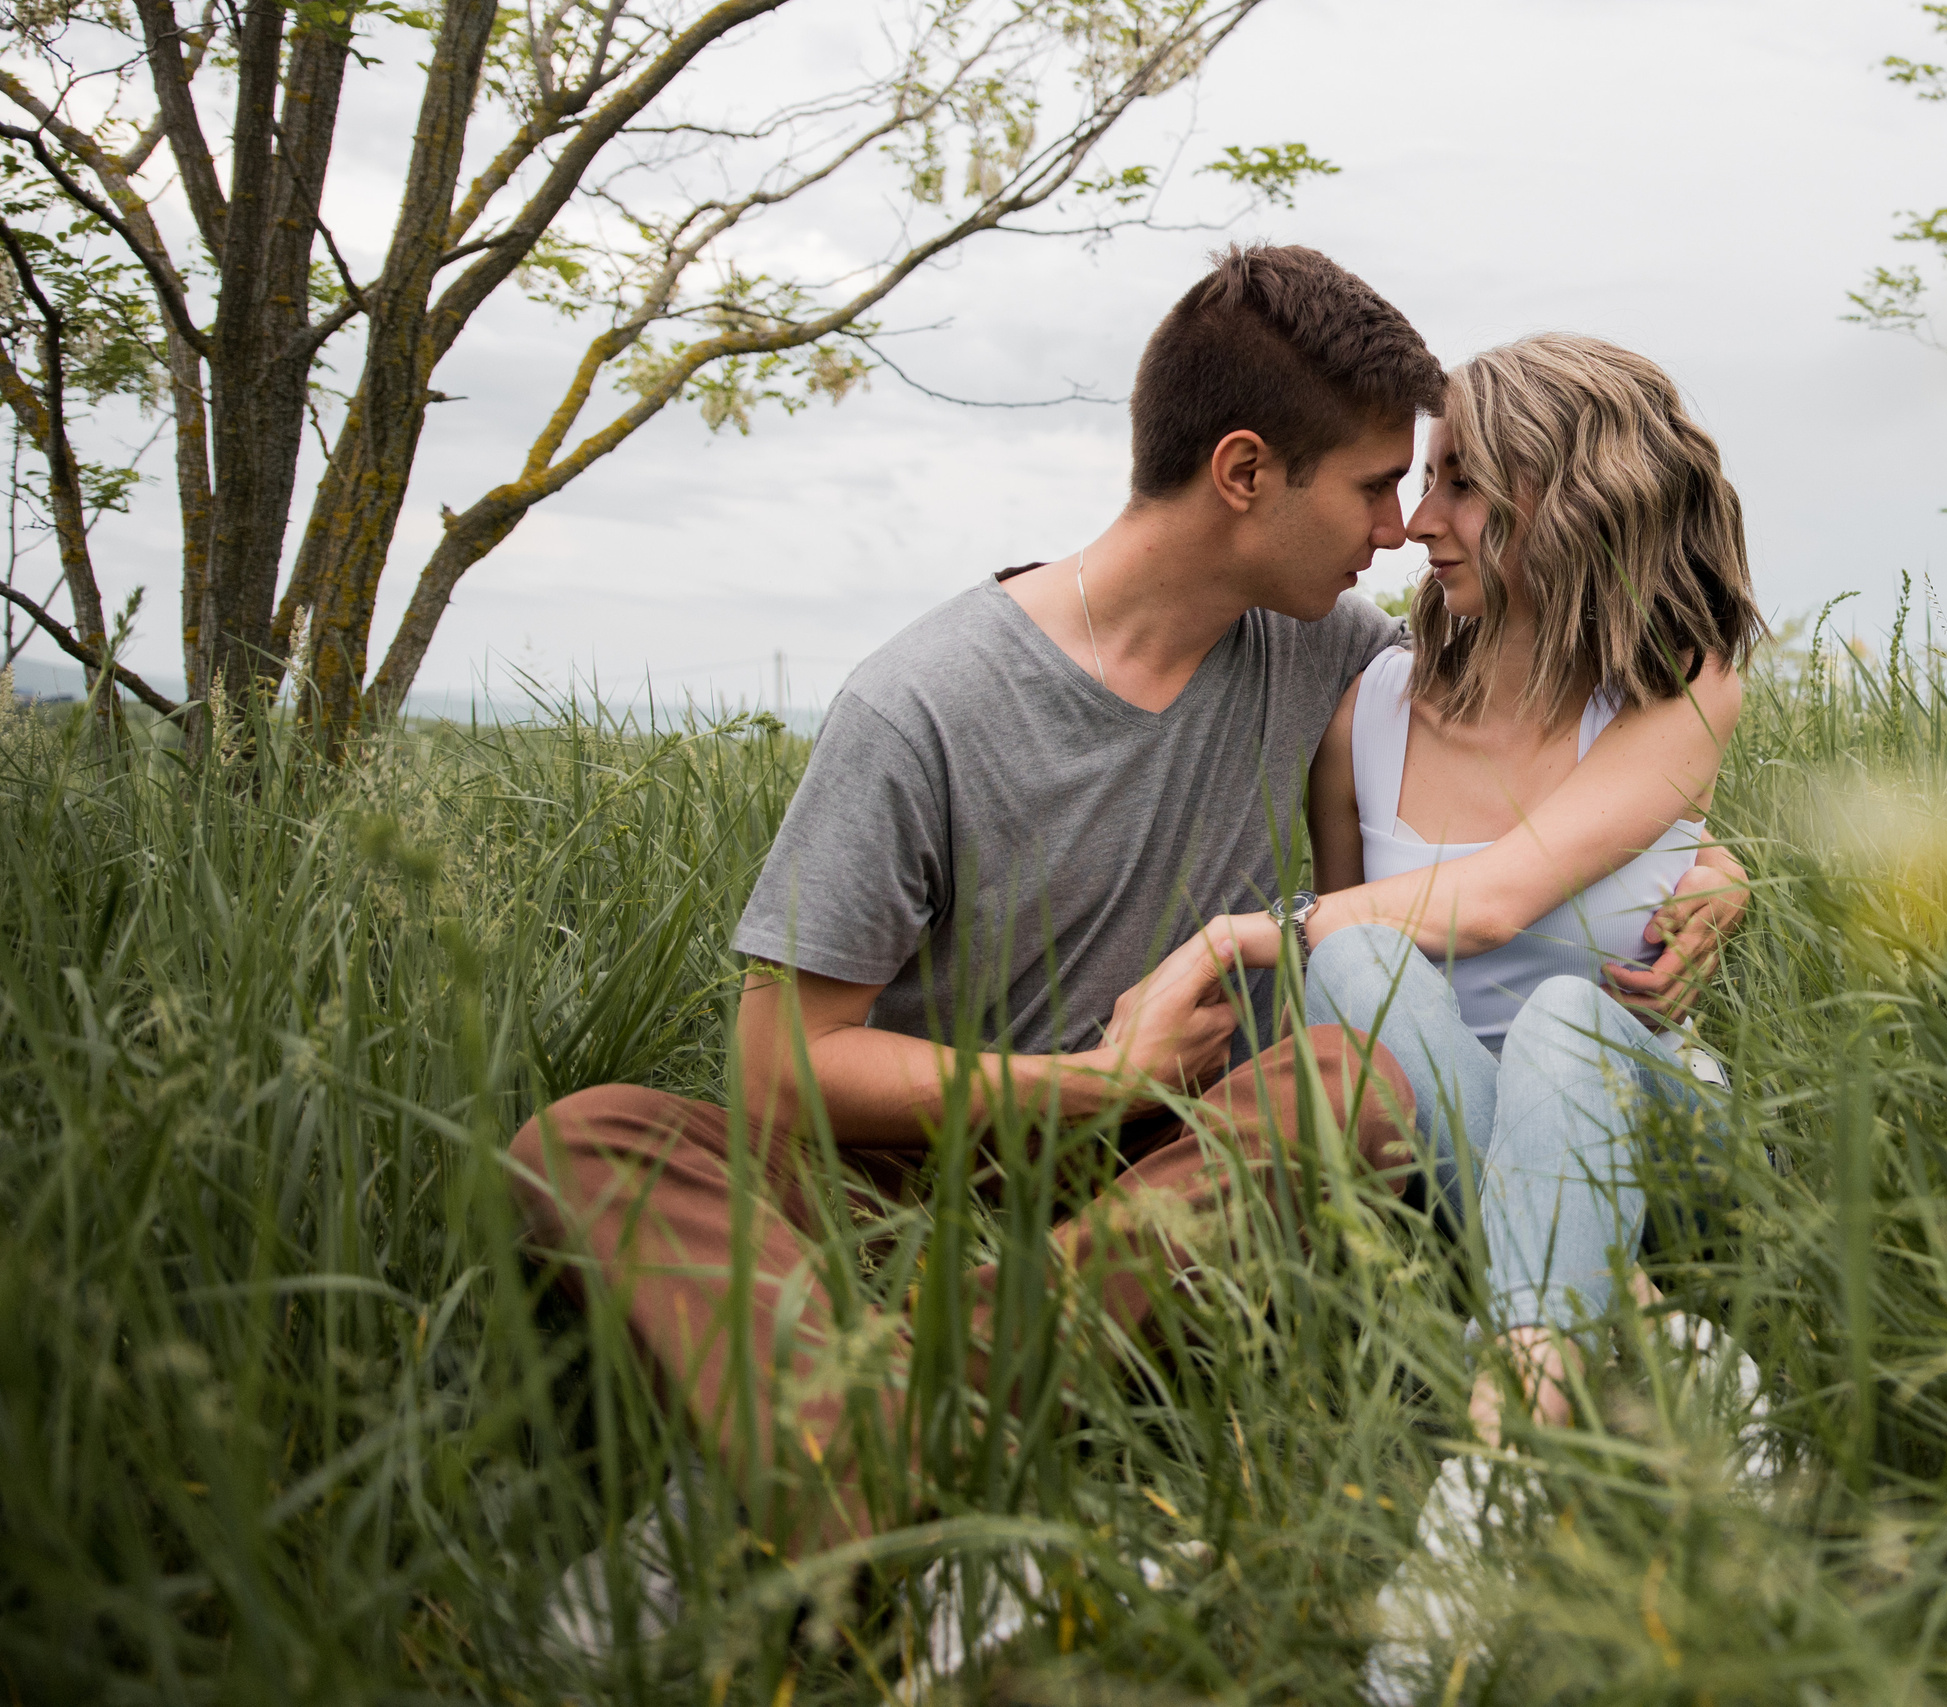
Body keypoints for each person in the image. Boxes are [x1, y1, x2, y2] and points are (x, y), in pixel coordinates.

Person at [505, 250, 1749, 1631]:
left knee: (1345, 1084)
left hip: (1169, 1167)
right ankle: (872, 1472)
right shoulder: (920, 707)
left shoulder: (1320, 655)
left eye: (1420, 488)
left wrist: (1705, 866)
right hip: (920, 1171)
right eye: (1370, 487)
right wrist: (1083, 1081)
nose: (1400, 529)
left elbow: (1534, 784)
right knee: (589, 1132)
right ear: (1242, 474)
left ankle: (800, 1472)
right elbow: (782, 1074)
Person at [1194, 331, 1761, 1440]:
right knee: (1351, 952)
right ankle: (1592, 1332)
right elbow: (1353, 993)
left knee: (1564, 1017)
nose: (1416, 521)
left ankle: (1508, 1419)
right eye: (1421, 480)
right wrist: (1293, 937)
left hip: (1649, 1131)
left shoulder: (1679, 689)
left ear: (1570, 501)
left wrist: (1234, 938)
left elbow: (1499, 900)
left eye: (1460, 482)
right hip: (1435, 1151)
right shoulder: (1368, 715)